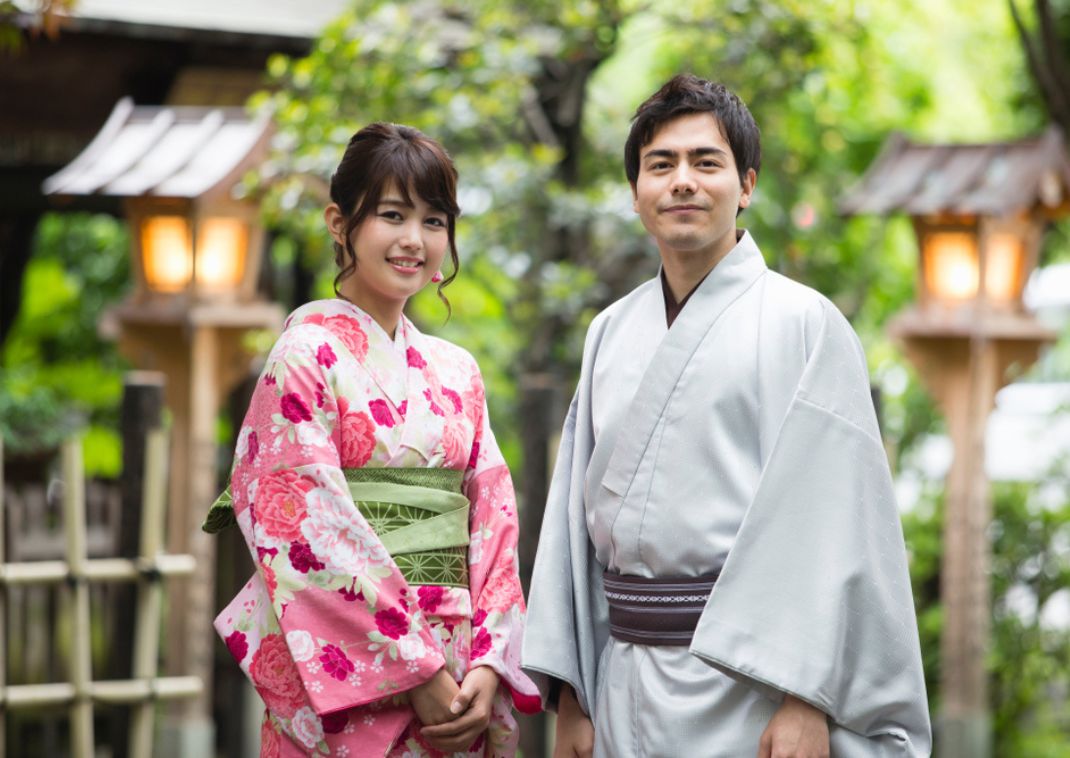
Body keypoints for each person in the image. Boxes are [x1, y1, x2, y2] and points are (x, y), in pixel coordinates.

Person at [521, 74, 932, 757]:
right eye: (661, 165)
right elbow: (571, 531)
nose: (682, 181)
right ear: (636, 193)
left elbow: (834, 524)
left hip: (749, 692)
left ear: (745, 186)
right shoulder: (610, 332)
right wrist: (572, 697)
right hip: (622, 684)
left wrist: (806, 697)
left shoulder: (807, 324)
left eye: (705, 163)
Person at [207, 122, 540, 757]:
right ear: (340, 222)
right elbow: (304, 526)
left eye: (435, 220)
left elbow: (495, 521)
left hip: (461, 665)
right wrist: (417, 671)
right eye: (393, 215)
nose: (415, 240)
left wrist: (488, 663)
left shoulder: (457, 371)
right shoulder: (305, 357)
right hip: (359, 674)